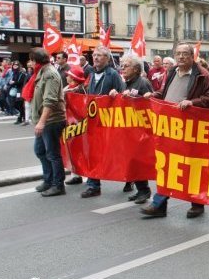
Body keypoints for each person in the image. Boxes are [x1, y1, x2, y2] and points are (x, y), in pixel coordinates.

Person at [140, 43, 209, 218]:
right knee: (168, 165)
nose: (181, 57)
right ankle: (159, 204)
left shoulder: (202, 75)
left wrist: (193, 103)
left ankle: (197, 204)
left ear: (192, 56)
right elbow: (164, 93)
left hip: (190, 129)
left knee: (191, 166)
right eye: (178, 54)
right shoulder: (171, 72)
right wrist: (153, 95)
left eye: (185, 54)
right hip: (170, 127)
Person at [81, 45, 126, 198]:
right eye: (94, 55)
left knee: (117, 153)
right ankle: (93, 185)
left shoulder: (113, 74)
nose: (96, 58)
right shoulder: (92, 74)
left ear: (107, 58)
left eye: (100, 55)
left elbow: (123, 95)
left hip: (109, 122)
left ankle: (132, 179)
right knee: (92, 153)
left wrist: (116, 93)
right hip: (94, 121)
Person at [109, 54, 154, 204]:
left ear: (136, 69)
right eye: (121, 66)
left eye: (126, 66)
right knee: (131, 160)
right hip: (129, 130)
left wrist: (134, 98)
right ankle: (140, 189)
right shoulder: (125, 82)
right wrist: (116, 95)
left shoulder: (143, 83)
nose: (122, 68)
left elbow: (151, 103)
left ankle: (145, 190)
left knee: (138, 160)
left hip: (141, 130)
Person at [28, 48, 67, 197]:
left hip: (52, 120)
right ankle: (48, 179)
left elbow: (50, 100)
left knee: (52, 154)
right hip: (44, 121)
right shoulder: (41, 72)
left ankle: (58, 185)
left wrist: (41, 122)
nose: (29, 62)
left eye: (31, 59)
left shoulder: (50, 74)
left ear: (36, 61)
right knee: (40, 151)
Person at [62, 65, 87, 186]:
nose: (66, 77)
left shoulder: (80, 90)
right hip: (69, 122)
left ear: (73, 78)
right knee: (72, 148)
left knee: (80, 149)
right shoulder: (68, 88)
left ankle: (84, 174)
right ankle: (75, 174)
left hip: (79, 123)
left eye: (68, 75)